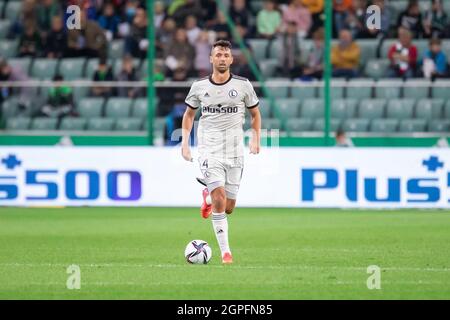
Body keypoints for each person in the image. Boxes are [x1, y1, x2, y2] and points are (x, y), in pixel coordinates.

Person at [181, 40, 262, 264]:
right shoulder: (199, 86)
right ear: (211, 59)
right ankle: (226, 253)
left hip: (235, 151)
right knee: (220, 197)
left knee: (228, 207)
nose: (223, 58)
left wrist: (255, 138)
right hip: (209, 149)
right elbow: (189, 115)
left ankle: (207, 197)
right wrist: (185, 143)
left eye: (226, 55)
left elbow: (255, 114)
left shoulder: (244, 85)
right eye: (218, 55)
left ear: (231, 59)